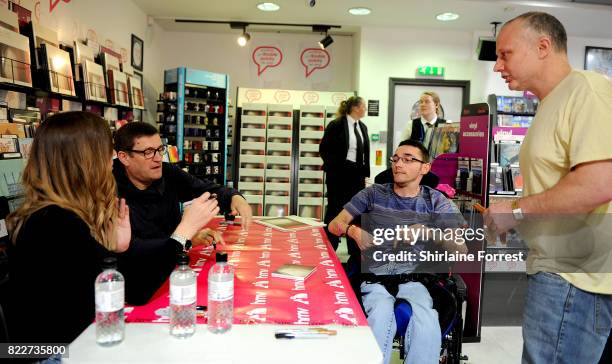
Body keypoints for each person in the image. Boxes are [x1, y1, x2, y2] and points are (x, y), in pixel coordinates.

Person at [486, 11, 612, 363]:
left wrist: (516, 210)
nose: (498, 66)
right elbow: (560, 186)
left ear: (543, 46)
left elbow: (598, 184)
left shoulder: (587, 89)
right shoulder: (549, 103)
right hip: (558, 271)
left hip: (575, 280)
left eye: (505, 54)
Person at [328, 140, 468, 364]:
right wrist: (353, 230)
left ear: (425, 167)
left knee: (426, 322)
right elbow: (334, 224)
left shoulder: (436, 201)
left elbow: (461, 249)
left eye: (408, 159)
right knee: (380, 314)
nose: (398, 164)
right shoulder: (373, 194)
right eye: (395, 159)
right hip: (375, 278)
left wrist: (427, 232)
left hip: (416, 278)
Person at [5, 112, 132, 348]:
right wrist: (181, 234)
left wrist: (114, 248)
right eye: (107, 152)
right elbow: (119, 290)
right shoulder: (55, 222)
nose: (112, 160)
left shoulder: (46, 215)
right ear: (87, 162)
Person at [112, 122, 251, 304]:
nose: (157, 158)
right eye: (148, 152)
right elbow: (134, 254)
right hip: (139, 285)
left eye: (160, 149)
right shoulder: (110, 190)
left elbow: (208, 189)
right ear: (124, 157)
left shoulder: (167, 173)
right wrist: (185, 234)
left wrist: (235, 197)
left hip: (175, 270)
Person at [319, 96, 370, 267]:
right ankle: (329, 247)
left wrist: (365, 173)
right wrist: (334, 168)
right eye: (363, 106)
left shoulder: (362, 127)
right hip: (338, 174)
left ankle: (354, 250)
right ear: (355, 108)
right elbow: (325, 149)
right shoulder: (337, 125)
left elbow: (365, 153)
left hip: (356, 174)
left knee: (357, 209)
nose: (365, 109)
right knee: (335, 208)